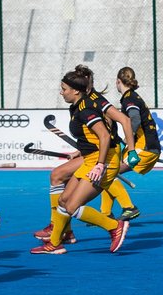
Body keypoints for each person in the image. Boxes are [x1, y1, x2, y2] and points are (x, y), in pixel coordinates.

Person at [30, 67, 131, 255]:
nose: (61, 92)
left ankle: (114, 226)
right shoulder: (76, 107)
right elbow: (91, 137)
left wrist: (100, 165)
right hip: (89, 159)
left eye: (64, 89)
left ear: (76, 90)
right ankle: (55, 243)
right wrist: (81, 151)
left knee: (71, 206)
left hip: (102, 163)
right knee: (63, 200)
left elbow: (104, 136)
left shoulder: (86, 109)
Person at [101, 66, 161, 221]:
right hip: (147, 147)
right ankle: (105, 213)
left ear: (118, 81)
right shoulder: (133, 96)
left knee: (107, 173)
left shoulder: (129, 99)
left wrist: (129, 141)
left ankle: (129, 208)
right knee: (108, 171)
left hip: (143, 149)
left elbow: (134, 119)